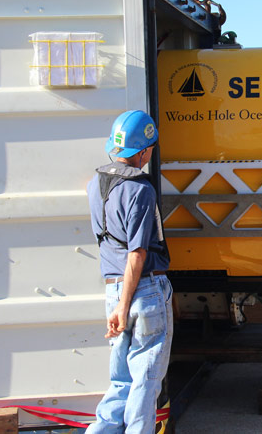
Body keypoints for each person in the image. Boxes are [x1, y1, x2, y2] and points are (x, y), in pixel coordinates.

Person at [86, 110, 172, 434]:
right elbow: (137, 253)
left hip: (112, 289)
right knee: (146, 381)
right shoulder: (141, 190)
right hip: (143, 291)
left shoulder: (95, 185)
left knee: (120, 379)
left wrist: (118, 305)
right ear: (143, 151)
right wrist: (126, 307)